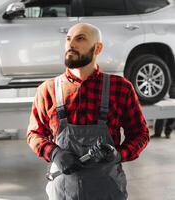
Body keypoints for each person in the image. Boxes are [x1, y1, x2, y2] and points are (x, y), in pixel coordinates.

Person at [26, 23, 150, 200]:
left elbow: (140, 134)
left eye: (80, 38)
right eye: (68, 39)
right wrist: (55, 153)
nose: (71, 44)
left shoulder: (120, 88)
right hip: (63, 191)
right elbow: (34, 134)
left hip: (107, 190)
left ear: (98, 48)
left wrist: (118, 154)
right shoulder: (48, 90)